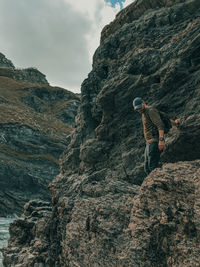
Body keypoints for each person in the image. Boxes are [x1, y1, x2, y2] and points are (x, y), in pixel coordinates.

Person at [133, 97, 179, 175]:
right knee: (147, 168)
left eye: (140, 108)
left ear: (144, 102)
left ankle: (160, 184)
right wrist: (175, 123)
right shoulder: (144, 112)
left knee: (152, 167)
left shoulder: (151, 111)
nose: (139, 110)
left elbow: (160, 125)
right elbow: (163, 117)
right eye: (137, 109)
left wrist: (161, 140)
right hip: (149, 142)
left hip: (154, 141)